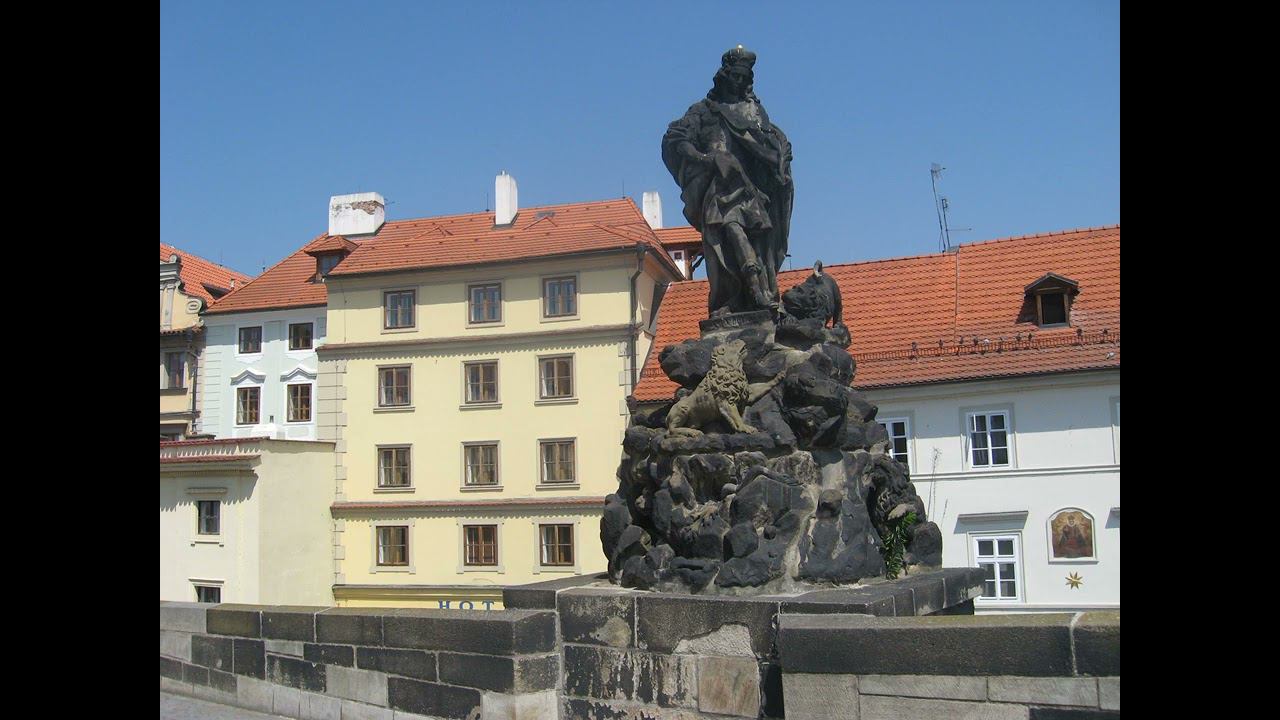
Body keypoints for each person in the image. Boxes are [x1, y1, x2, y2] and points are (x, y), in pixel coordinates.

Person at [662, 46, 794, 316]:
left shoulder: (753, 111)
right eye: (735, 76)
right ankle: (742, 294)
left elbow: (769, 145)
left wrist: (778, 165)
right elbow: (678, 140)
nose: (738, 82)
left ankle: (759, 291)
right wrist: (707, 158)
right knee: (725, 225)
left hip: (750, 189)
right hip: (719, 186)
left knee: (755, 238)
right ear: (724, 76)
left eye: (743, 78)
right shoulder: (704, 111)